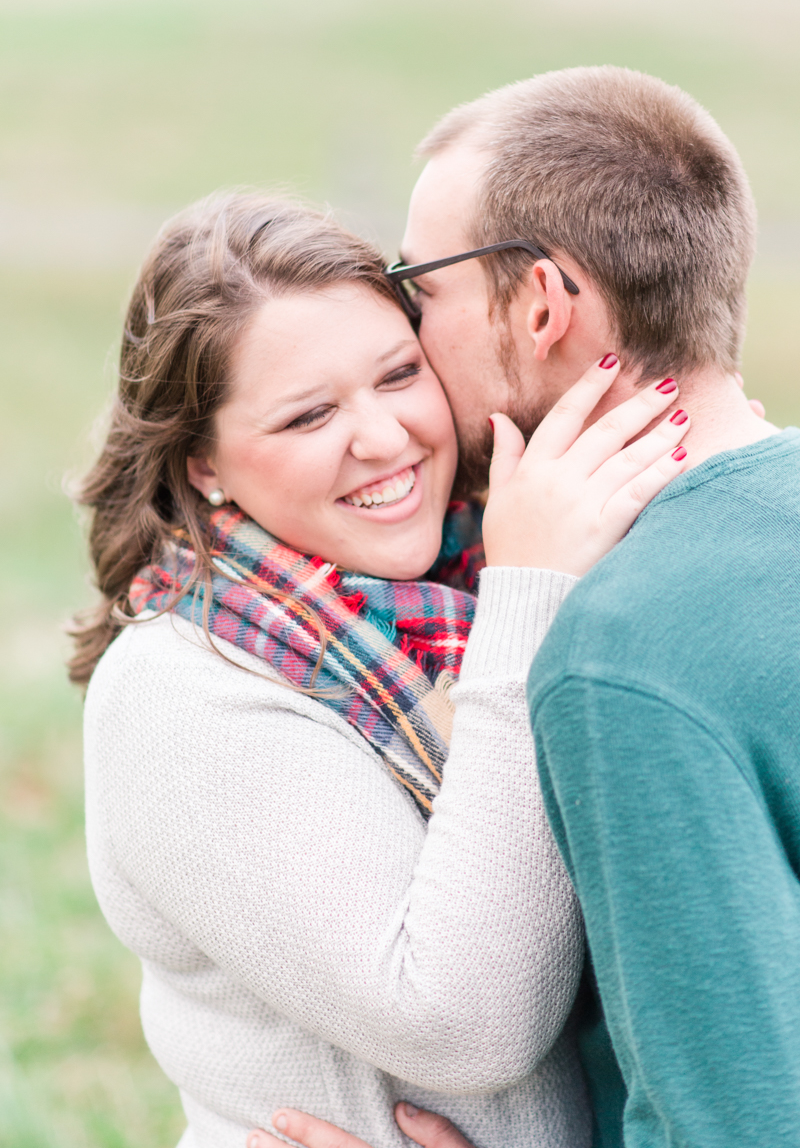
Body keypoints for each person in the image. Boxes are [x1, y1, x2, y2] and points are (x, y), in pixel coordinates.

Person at [248, 66, 798, 1148]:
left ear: (541, 302)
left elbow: (737, 1118)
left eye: (422, 287)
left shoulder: (623, 654)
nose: (406, 328)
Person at [74, 190, 688, 1148]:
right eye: (308, 414)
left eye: (399, 372)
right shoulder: (178, 692)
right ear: (204, 465)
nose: (385, 436)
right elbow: (469, 1024)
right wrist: (531, 598)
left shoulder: (471, 579)